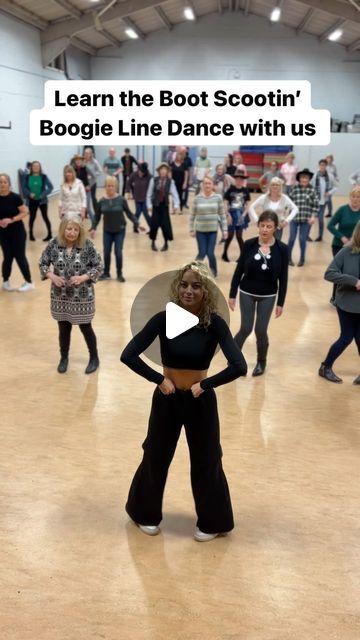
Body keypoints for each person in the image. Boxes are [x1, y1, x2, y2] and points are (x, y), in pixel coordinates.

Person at [120, 261, 247, 541]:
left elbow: (239, 365)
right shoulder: (163, 318)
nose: (189, 290)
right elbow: (128, 355)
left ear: (206, 290)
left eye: (196, 285)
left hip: (200, 401)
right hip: (167, 399)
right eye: (184, 284)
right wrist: (159, 379)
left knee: (208, 460)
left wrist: (206, 384)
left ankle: (213, 522)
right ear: (177, 287)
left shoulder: (215, 323)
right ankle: (144, 513)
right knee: (155, 455)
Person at [39, 215, 102, 374]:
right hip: (60, 296)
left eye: (75, 229)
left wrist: (83, 277)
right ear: (63, 229)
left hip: (82, 296)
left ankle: (94, 358)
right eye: (69, 228)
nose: (72, 232)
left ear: (80, 231)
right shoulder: (54, 244)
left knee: (86, 326)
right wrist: (51, 276)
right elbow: (43, 262)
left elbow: (99, 266)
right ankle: (64, 358)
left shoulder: (87, 245)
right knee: (63, 327)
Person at [228, 211, 288, 376]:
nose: (265, 229)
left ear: (275, 228)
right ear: (258, 226)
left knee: (260, 330)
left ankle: (261, 362)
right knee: (245, 328)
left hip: (268, 295)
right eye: (262, 225)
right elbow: (239, 270)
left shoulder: (282, 249)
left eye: (269, 226)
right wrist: (232, 294)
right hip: (246, 291)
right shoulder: (249, 244)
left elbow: (284, 278)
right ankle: (234, 361)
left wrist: (280, 303)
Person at [319, 220, 360, 385]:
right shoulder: (347, 251)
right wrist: (353, 281)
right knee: (346, 337)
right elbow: (329, 273)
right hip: (347, 304)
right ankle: (325, 366)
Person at [90, 176, 141, 282]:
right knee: (106, 252)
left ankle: (119, 273)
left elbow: (129, 213)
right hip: (107, 230)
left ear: (116, 187)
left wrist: (137, 223)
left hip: (120, 230)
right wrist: (93, 228)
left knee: (118, 252)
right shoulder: (102, 201)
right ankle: (106, 273)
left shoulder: (121, 200)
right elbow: (97, 216)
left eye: (112, 186)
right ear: (105, 187)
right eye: (108, 186)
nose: (110, 188)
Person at [0, 173, 34, 292]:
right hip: (3, 233)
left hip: (17, 232)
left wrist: (11, 219)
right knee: (7, 257)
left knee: (20, 256)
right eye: (0, 182)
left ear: (9, 184)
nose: (2, 184)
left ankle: (29, 282)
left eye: (5, 182)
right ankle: (5, 282)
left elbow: (25, 212)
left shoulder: (15, 197)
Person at [327, 187, 360, 303]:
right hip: (339, 246)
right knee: (340, 270)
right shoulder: (343, 210)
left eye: (358, 197)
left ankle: (351, 295)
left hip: (357, 247)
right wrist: (342, 237)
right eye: (353, 196)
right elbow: (330, 225)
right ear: (350, 197)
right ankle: (335, 297)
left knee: (352, 270)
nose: (355, 199)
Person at [190, 175, 227, 277]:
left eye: (209, 183)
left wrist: (225, 230)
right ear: (202, 185)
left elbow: (222, 215)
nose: (207, 185)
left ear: (213, 185)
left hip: (212, 231)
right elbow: (192, 215)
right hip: (200, 231)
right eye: (205, 183)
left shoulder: (217, 198)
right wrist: (191, 229)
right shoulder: (198, 198)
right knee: (202, 253)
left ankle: (214, 271)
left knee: (210, 253)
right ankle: (194, 271)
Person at [287, 168, 319, 267]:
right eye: (302, 177)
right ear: (299, 179)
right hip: (294, 219)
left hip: (306, 219)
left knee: (302, 239)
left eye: (306, 178)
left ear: (309, 179)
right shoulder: (294, 188)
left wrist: (313, 216)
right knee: (292, 238)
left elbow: (315, 205)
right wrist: (286, 216)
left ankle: (302, 259)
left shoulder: (312, 190)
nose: (304, 179)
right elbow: (288, 203)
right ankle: (288, 259)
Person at [147, 162, 180, 252]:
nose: (163, 171)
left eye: (165, 169)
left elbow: (175, 194)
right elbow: (149, 194)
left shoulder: (171, 181)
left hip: (164, 206)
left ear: (167, 171)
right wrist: (149, 205)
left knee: (165, 225)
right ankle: (153, 242)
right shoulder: (153, 180)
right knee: (154, 225)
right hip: (155, 206)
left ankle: (166, 243)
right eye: (161, 169)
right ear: (159, 171)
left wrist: (176, 205)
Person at [222, 170, 251, 262]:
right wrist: (227, 215)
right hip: (231, 214)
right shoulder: (230, 189)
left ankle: (243, 255)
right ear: (235, 179)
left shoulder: (245, 190)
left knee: (239, 236)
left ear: (243, 180)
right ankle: (224, 254)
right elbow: (226, 203)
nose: (239, 180)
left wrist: (244, 215)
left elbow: (247, 204)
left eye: (241, 179)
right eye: (237, 179)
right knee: (230, 235)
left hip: (241, 214)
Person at [23, 161, 53, 241]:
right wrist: (29, 194)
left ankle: (49, 234)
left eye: (37, 166)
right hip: (31, 201)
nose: (36, 167)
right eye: (34, 166)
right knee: (32, 218)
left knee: (45, 217)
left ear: (40, 167)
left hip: (42, 201)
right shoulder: (27, 177)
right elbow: (24, 188)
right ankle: (31, 235)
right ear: (31, 168)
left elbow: (50, 187)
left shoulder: (44, 177)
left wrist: (42, 195)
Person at [309, 159, 337, 241]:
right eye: (321, 165)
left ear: (326, 166)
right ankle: (307, 235)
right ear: (319, 166)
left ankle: (320, 236)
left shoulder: (330, 176)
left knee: (321, 219)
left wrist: (329, 192)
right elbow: (310, 186)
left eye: (324, 165)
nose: (322, 166)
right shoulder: (314, 175)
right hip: (315, 201)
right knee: (311, 218)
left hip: (324, 201)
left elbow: (336, 186)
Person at [126, 162, 152, 232]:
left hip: (145, 198)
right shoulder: (134, 174)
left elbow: (153, 185)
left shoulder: (149, 176)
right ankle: (135, 228)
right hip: (137, 197)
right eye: (140, 171)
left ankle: (152, 229)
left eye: (143, 172)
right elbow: (128, 182)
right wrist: (128, 190)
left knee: (146, 213)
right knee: (137, 213)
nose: (141, 173)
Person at [71, 154, 95, 224]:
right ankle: (78, 226)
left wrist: (89, 185)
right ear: (75, 161)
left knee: (88, 208)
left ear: (82, 160)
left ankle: (94, 225)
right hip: (77, 192)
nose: (78, 161)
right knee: (78, 209)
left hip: (86, 191)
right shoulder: (72, 169)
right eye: (76, 160)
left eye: (79, 160)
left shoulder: (85, 167)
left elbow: (93, 176)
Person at [84, 148, 102, 217]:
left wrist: (93, 175)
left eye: (88, 153)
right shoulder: (83, 161)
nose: (86, 155)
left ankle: (97, 213)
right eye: (85, 153)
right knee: (84, 198)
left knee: (93, 198)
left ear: (91, 154)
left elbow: (99, 171)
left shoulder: (95, 161)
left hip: (93, 183)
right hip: (85, 183)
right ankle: (85, 213)